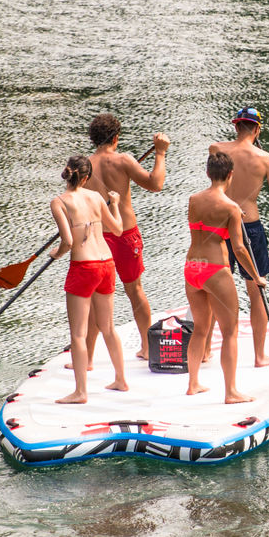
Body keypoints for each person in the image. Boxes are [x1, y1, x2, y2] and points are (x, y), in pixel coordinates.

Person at [208, 105, 269, 367]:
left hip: (218, 227)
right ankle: (259, 356)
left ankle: (206, 350)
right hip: (248, 227)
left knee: (215, 290)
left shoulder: (216, 150)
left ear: (236, 126)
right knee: (256, 291)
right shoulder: (265, 159)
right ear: (257, 129)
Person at [84, 113, 170, 361]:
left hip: (96, 237)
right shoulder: (123, 160)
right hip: (124, 235)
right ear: (116, 138)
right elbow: (155, 184)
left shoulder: (84, 165)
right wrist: (160, 153)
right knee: (134, 290)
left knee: (95, 296)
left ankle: (86, 357)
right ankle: (147, 348)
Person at [184, 151, 266, 404]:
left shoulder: (193, 200)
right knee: (229, 332)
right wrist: (256, 277)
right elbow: (239, 249)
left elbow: (203, 228)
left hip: (192, 268)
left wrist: (232, 218)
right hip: (215, 270)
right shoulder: (231, 207)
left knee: (200, 328)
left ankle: (193, 384)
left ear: (208, 173)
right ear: (231, 175)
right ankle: (231, 392)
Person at [49, 155, 129, 405]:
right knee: (108, 327)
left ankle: (81, 392)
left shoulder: (59, 202)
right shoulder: (96, 197)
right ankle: (121, 379)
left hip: (84, 267)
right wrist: (115, 204)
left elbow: (67, 241)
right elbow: (117, 229)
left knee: (78, 334)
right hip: (106, 264)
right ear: (86, 178)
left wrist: (56, 254)